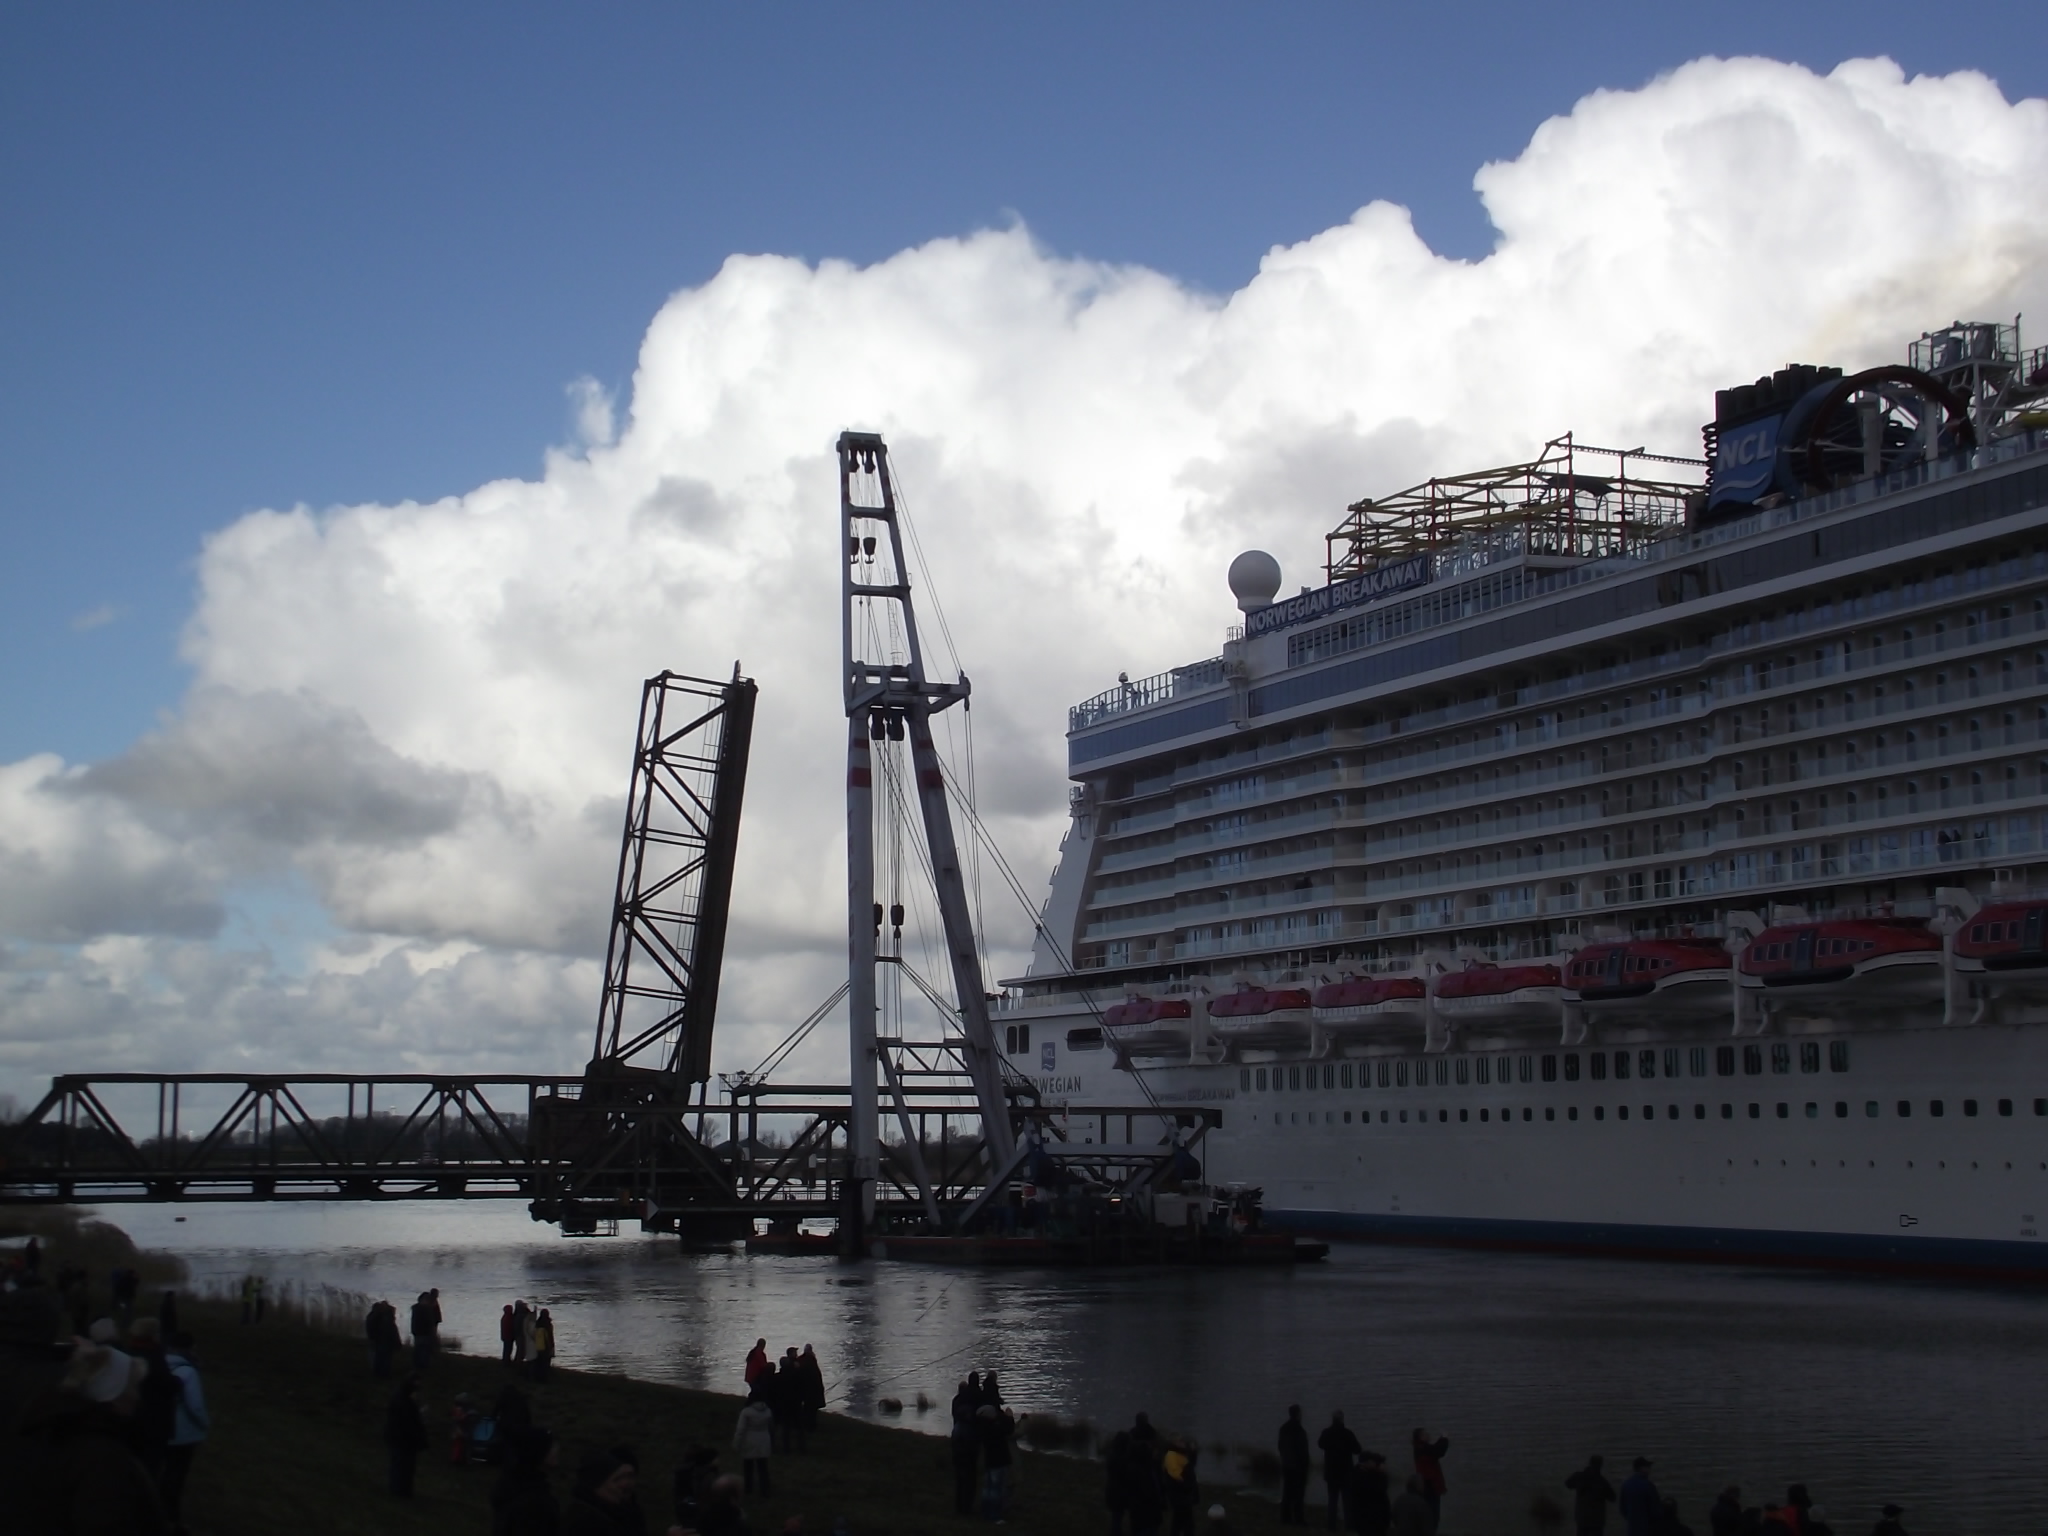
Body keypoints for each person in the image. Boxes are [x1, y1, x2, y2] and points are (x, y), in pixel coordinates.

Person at [161, 1329, 208, 1534]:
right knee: (176, 1479)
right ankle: (171, 1520)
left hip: (161, 1429)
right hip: (183, 1434)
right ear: (188, 1348)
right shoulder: (188, 1372)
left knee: (162, 1473)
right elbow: (195, 1405)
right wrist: (205, 1423)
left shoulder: (158, 1365)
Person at [564, 1447, 649, 1535]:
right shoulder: (587, 1521)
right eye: (617, 1479)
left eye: (630, 1476)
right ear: (598, 1484)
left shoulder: (626, 1512)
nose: (623, 1484)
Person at [493, 1427, 561, 1536]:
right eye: (551, 1446)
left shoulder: (514, 1487)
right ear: (537, 1453)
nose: (557, 1449)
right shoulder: (534, 1503)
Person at [384, 1375, 431, 1497]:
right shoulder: (405, 1403)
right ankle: (400, 1491)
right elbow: (409, 1424)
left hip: (399, 1439)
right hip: (404, 1440)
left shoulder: (400, 1399)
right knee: (403, 1467)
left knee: (401, 1466)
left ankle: (399, 1490)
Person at [1319, 1412, 1362, 1529]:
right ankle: (1349, 1525)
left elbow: (1320, 1444)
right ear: (1342, 1420)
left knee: (1332, 1499)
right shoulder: (1348, 1434)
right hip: (1346, 1472)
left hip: (1331, 1472)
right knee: (1347, 1501)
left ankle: (1331, 1525)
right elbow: (1357, 1449)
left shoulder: (1326, 1433)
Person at [734, 1382, 775, 1495]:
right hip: (764, 1440)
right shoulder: (768, 1411)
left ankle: (748, 1489)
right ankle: (765, 1489)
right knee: (763, 1467)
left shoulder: (746, 1412)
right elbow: (771, 1427)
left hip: (749, 1440)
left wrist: (737, 1444)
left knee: (748, 1467)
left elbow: (740, 1429)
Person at [979, 1400, 1015, 1522]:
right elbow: (1008, 1430)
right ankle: (994, 1516)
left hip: (989, 1462)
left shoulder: (984, 1428)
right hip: (998, 1462)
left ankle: (985, 1513)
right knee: (997, 1489)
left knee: (987, 1489)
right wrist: (1009, 1417)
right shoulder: (994, 1429)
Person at [951, 1377, 981, 1517]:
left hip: (958, 1449)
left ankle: (959, 1506)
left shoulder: (956, 1402)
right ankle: (966, 1507)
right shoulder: (969, 1427)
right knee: (969, 1478)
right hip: (968, 1450)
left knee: (960, 1479)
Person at [1566, 1455, 1617, 1536]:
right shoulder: (1602, 1482)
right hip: (1597, 1521)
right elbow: (1613, 1498)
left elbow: (1568, 1484)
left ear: (1589, 1463)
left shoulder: (1579, 1476)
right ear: (1601, 1465)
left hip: (1581, 1518)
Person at [1411, 1430, 1449, 1535]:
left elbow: (1434, 1450)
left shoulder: (1420, 1448)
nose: (1428, 1435)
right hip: (1430, 1485)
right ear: (1420, 1437)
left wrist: (1441, 1439)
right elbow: (1439, 1451)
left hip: (1426, 1485)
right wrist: (1444, 1438)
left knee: (1429, 1513)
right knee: (1433, 1514)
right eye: (1425, 1434)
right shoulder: (1423, 1449)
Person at [1278, 1405, 1310, 1525]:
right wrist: (1305, 1464)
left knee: (1287, 1493)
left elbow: (1280, 1447)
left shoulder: (1283, 1429)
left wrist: (1285, 1459)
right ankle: (1298, 1518)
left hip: (1287, 1465)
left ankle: (1285, 1518)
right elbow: (1302, 1451)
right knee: (1299, 1494)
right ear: (1298, 1414)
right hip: (1298, 1467)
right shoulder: (1299, 1430)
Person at [1348, 1451, 1392, 1536]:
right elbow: (1379, 1490)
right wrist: (1382, 1474)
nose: (1376, 1464)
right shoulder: (1362, 1477)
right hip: (1370, 1520)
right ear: (1367, 1462)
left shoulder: (1358, 1473)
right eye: (1374, 1462)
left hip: (1368, 1519)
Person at [1161, 1438, 1198, 1536]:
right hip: (1179, 1493)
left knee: (1179, 1519)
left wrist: (1193, 1452)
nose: (1183, 1442)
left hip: (1182, 1493)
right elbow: (1175, 1474)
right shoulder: (1172, 1455)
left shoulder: (1181, 1454)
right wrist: (1186, 1484)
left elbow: (1190, 1465)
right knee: (1186, 1521)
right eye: (1179, 1441)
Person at [1619, 1458, 1661, 1536]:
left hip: (1632, 1529)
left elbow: (1623, 1509)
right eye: (1647, 1467)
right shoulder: (1648, 1485)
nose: (1649, 1469)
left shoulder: (1626, 1485)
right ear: (1641, 1468)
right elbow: (1655, 1509)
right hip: (1646, 1529)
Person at [1105, 1429, 1135, 1535]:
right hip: (1121, 1493)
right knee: (1118, 1517)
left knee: (1116, 1517)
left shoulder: (1112, 1455)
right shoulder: (1124, 1459)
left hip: (1113, 1490)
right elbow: (1127, 1475)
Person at [366, 1299, 401, 1378]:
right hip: (384, 1341)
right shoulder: (386, 1319)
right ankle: (383, 1374)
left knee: (379, 1358)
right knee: (384, 1359)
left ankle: (379, 1374)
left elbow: (370, 1329)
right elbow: (393, 1331)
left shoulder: (373, 1316)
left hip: (379, 1341)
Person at [798, 1343, 826, 1436]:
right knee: (812, 1410)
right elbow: (816, 1377)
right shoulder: (812, 1361)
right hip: (813, 1389)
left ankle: (806, 1425)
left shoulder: (801, 1360)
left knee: (807, 1408)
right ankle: (811, 1426)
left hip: (806, 1389)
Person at [410, 1291, 440, 1371]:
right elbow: (430, 1323)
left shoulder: (415, 1308)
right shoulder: (426, 1309)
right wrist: (433, 1334)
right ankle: (423, 1368)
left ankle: (417, 1367)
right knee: (425, 1351)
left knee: (418, 1350)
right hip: (425, 1333)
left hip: (417, 1332)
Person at [533, 1308, 556, 1384]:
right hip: (546, 1346)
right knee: (545, 1364)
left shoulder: (536, 1324)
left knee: (538, 1363)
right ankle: (544, 1379)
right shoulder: (548, 1325)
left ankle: (536, 1377)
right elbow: (550, 1337)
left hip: (537, 1346)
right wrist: (552, 1347)